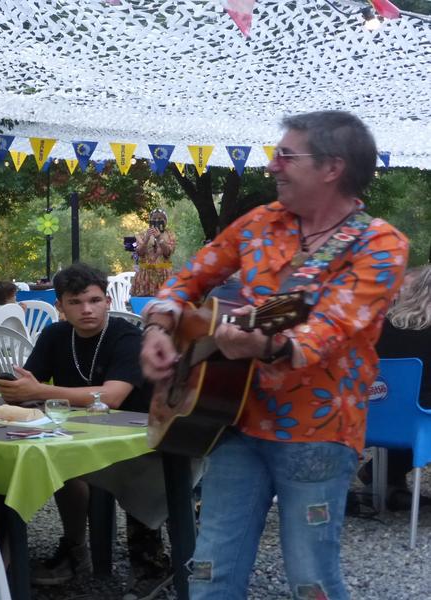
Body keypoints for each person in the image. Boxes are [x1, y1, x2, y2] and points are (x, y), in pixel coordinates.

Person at [140, 111, 409, 599]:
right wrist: (160, 325)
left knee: (311, 579)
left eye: (286, 155)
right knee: (210, 570)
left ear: (332, 167)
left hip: (317, 434)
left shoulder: (380, 244)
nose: (272, 166)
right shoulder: (260, 222)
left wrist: (268, 344)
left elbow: (330, 328)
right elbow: (190, 277)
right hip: (233, 418)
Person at [0, 263, 169, 596]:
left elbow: (114, 396)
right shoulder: (55, 335)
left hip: (136, 441)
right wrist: (16, 390)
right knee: (55, 464)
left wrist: (40, 393)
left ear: (107, 301)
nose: (87, 309)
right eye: (75, 302)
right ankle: (75, 549)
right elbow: (29, 384)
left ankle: (151, 563)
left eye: (94, 300)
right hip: (77, 435)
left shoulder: (126, 336)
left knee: (145, 476)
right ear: (60, 306)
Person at [373, 265, 431, 509]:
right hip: (419, 425)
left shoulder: (382, 328)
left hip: (375, 421)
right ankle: (387, 476)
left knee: (411, 403)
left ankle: (385, 475)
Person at [129, 208, 176, 297]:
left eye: (160, 219)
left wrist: (159, 238)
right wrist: (146, 239)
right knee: (143, 304)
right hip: (145, 274)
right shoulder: (142, 235)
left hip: (163, 274)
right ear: (150, 220)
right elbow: (139, 253)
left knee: (163, 303)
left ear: (165, 221)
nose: (156, 221)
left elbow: (167, 253)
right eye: (154, 219)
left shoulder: (170, 235)